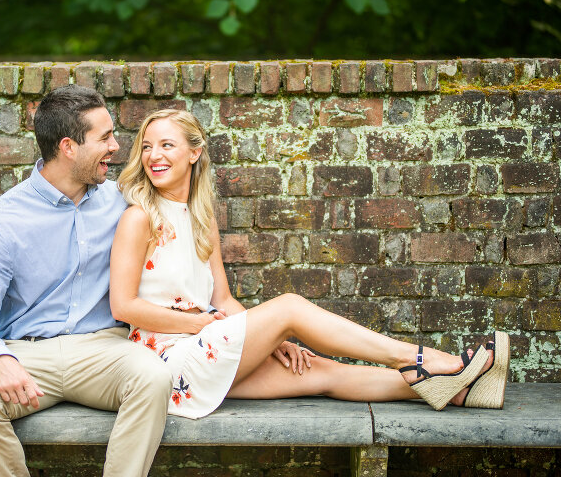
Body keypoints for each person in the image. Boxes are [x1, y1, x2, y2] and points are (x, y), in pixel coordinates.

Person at [109, 109, 510, 419]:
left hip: (208, 345)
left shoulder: (201, 218)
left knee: (318, 371)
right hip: (166, 361)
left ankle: (457, 388)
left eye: (166, 145)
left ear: (195, 153)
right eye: (146, 146)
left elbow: (224, 299)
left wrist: (267, 336)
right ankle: (423, 358)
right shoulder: (140, 217)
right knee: (290, 306)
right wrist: (204, 323)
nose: (153, 156)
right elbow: (123, 307)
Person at [0, 85, 173, 477]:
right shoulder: (4, 220)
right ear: (68, 147)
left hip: (103, 349)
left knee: (153, 377)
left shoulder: (122, 203)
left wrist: (233, 329)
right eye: (104, 137)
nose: (116, 147)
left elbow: (180, 260)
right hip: (26, 353)